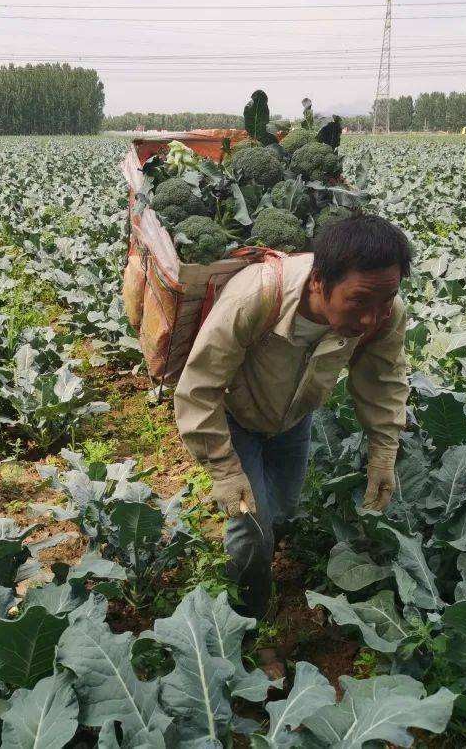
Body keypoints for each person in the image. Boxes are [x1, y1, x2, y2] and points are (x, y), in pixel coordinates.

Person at [174, 214, 412, 634]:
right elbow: (199, 388)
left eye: (385, 300)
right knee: (251, 526)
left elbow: (383, 381)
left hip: (294, 419)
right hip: (235, 417)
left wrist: (383, 455)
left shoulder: (385, 315)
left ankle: (266, 551)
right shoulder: (255, 298)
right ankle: (249, 621)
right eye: (360, 301)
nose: (372, 317)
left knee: (282, 507)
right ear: (320, 282)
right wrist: (225, 470)